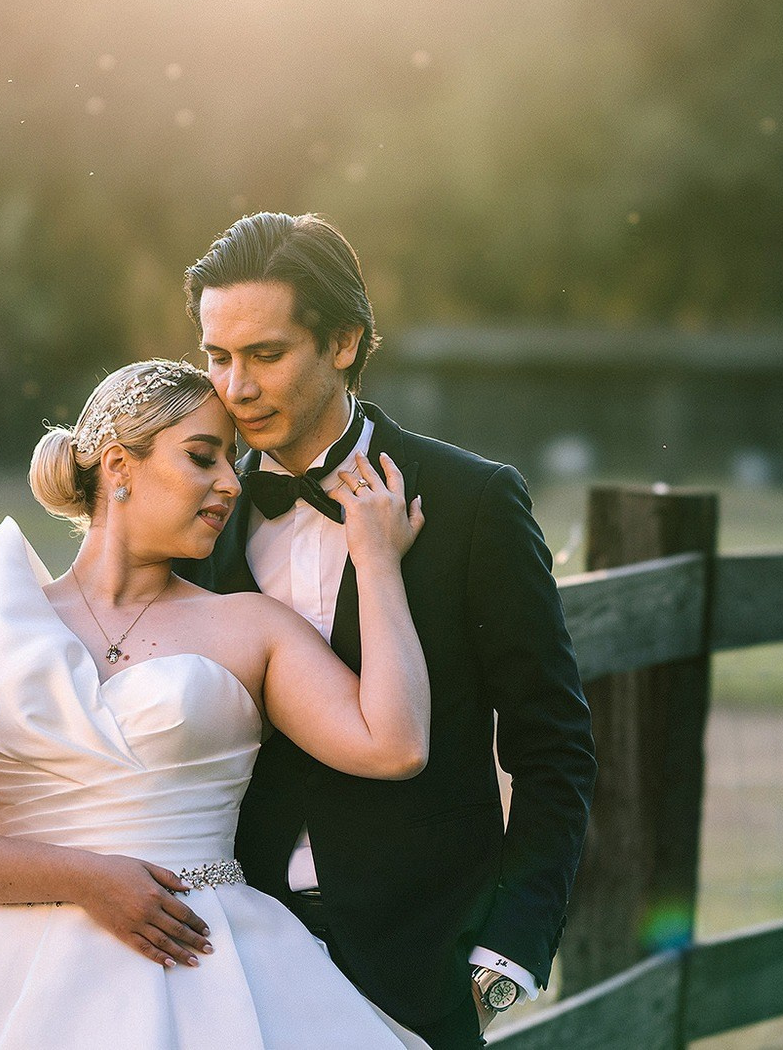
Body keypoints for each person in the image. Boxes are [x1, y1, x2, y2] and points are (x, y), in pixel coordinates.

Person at [0, 358, 434, 1049]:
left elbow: (395, 745)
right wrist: (90, 879)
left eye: (233, 459)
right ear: (118, 466)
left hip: (210, 967)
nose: (230, 481)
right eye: (203, 457)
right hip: (20, 980)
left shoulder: (251, 627)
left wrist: (375, 562)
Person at [175, 213, 596, 1050]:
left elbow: (554, 745)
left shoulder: (476, 503)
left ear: (342, 341)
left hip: (423, 959)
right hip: (232, 956)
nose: (235, 388)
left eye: (265, 354)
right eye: (217, 357)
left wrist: (512, 941)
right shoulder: (195, 515)